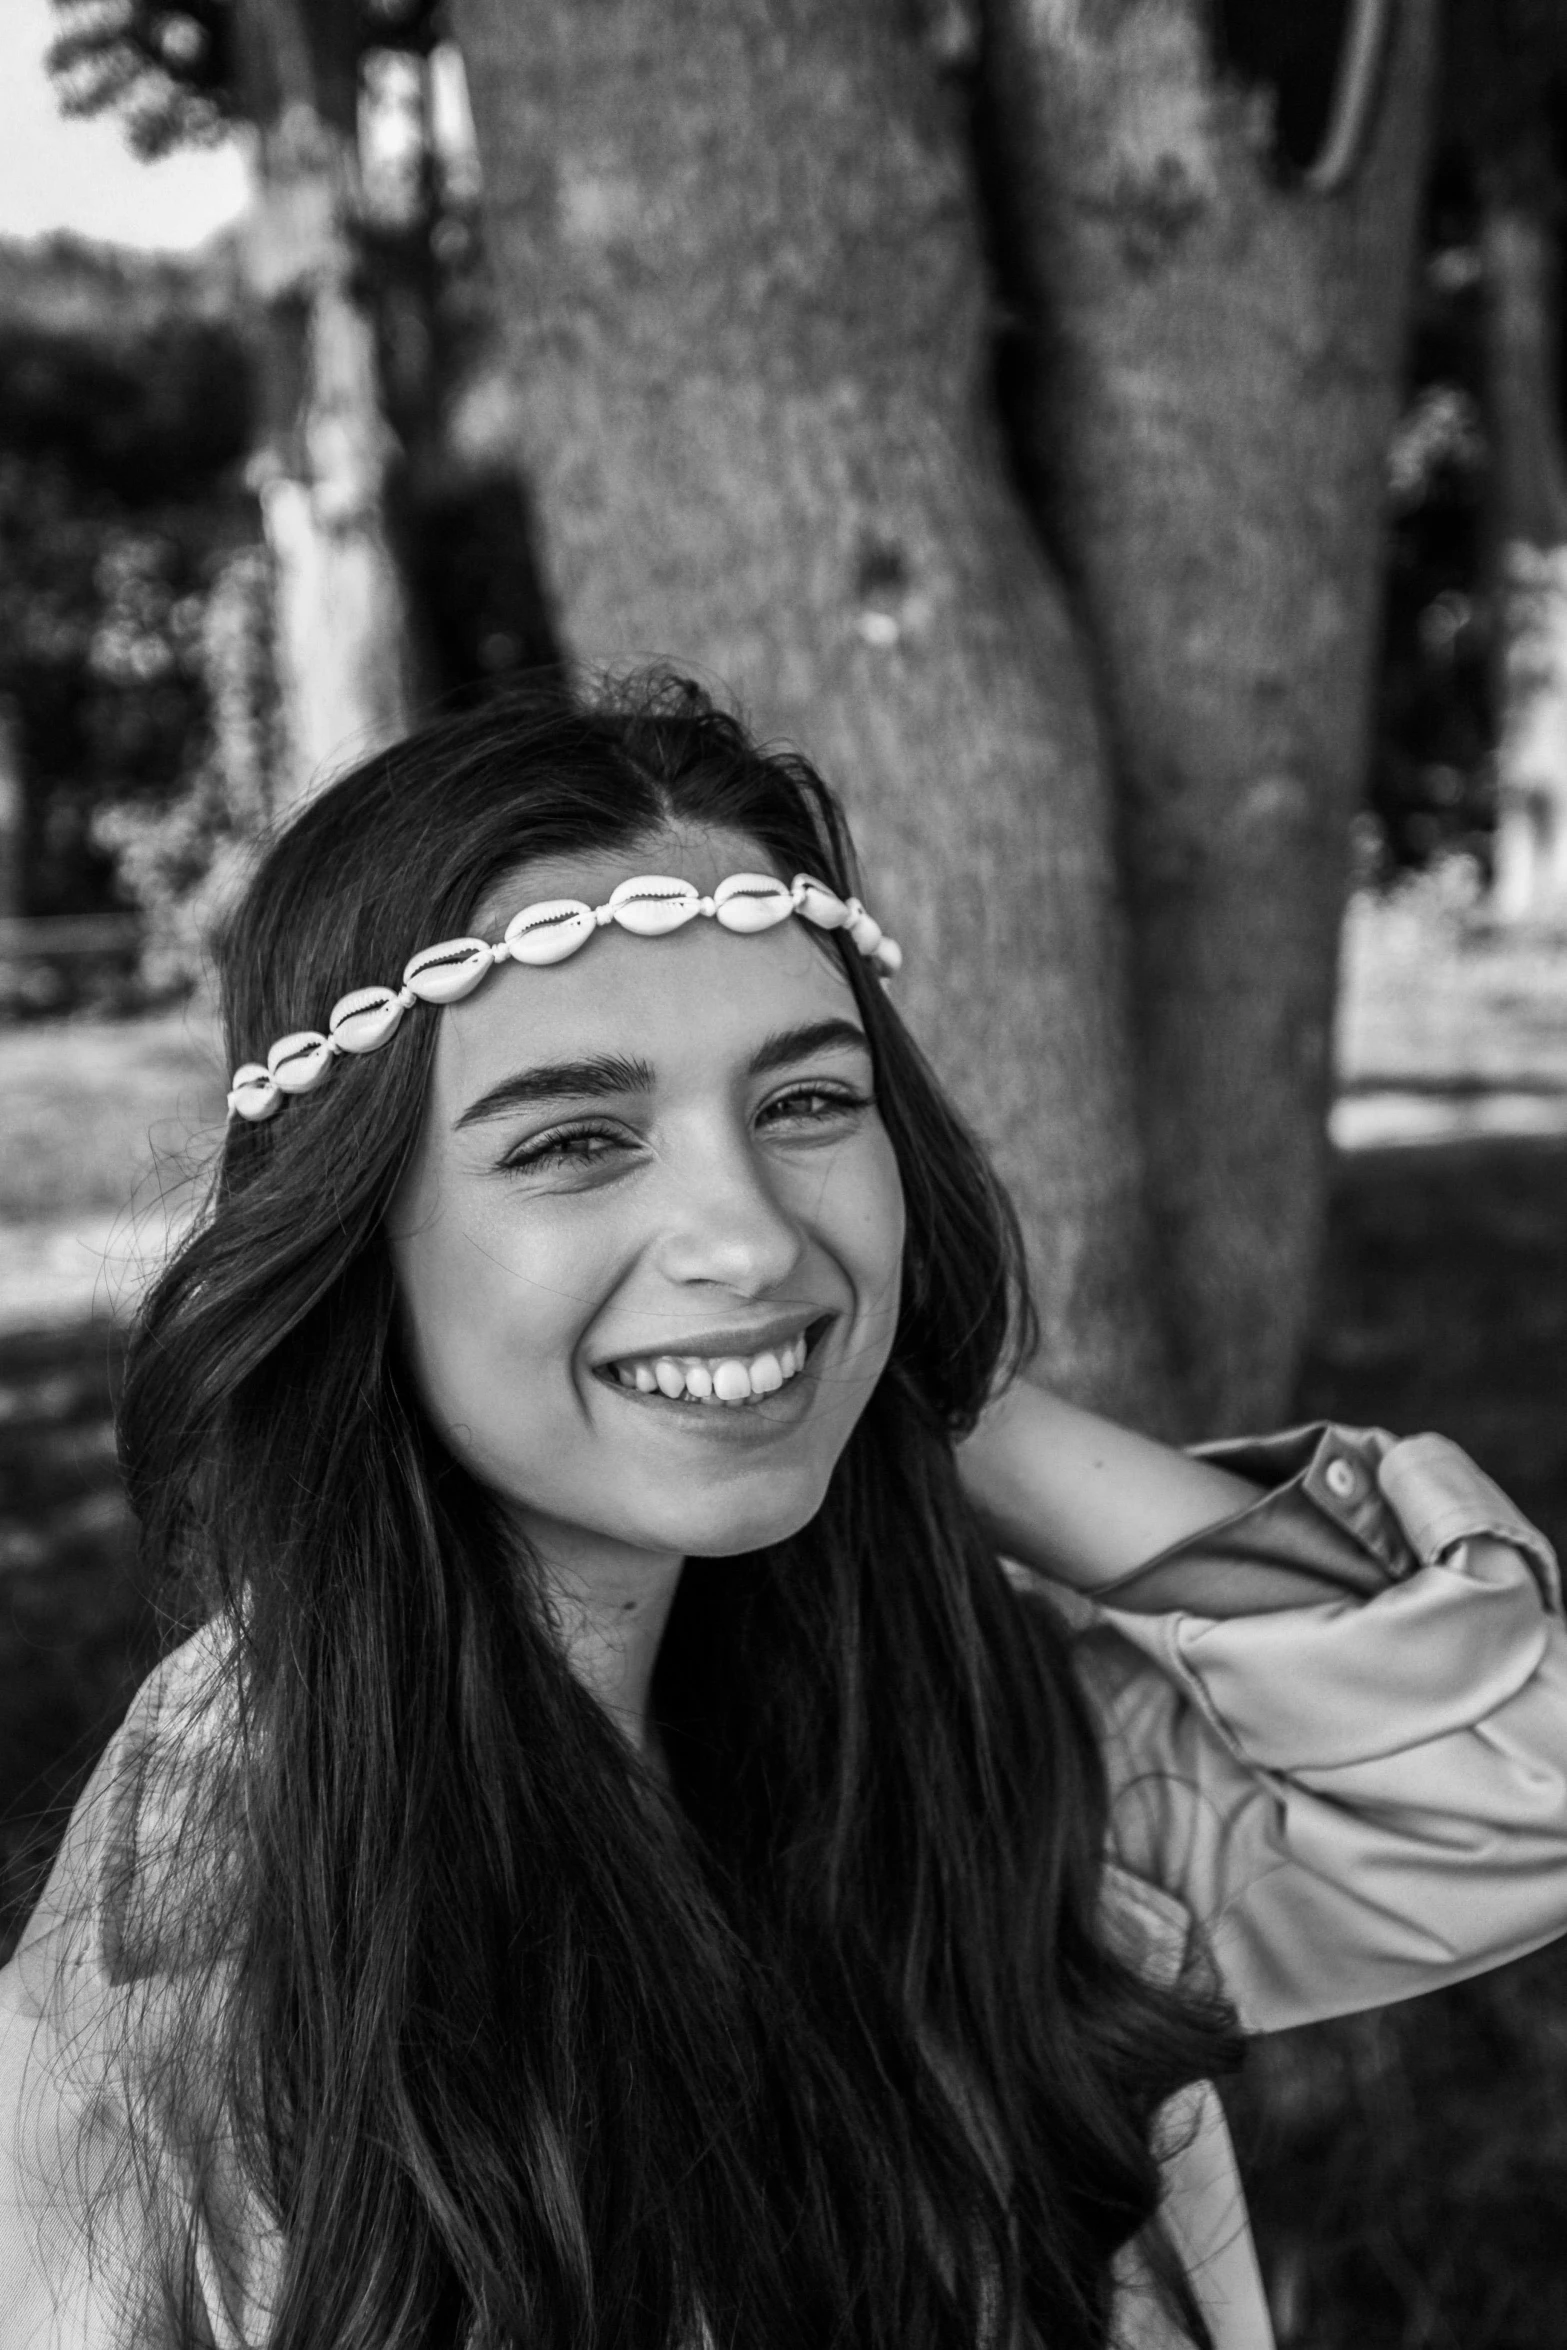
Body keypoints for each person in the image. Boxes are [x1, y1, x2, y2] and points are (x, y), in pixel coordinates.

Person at [1, 674, 1564, 2350]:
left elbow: (1506, 1783)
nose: (743, 1232)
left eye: (807, 1102)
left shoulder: (950, 1733)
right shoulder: (226, 1936)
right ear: (352, 1238)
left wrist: (890, 1368)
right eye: (577, 1138)